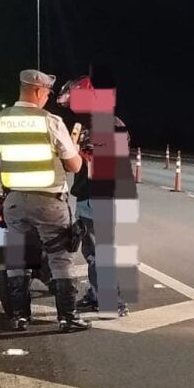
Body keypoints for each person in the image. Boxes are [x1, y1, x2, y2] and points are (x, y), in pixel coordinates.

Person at [0, 69, 92, 333]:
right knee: (60, 258)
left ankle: (19, 316)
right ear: (39, 91)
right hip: (49, 202)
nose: (47, 99)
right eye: (48, 94)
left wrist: (11, 170)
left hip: (15, 200)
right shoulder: (50, 122)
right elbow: (74, 165)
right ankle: (68, 318)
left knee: (17, 257)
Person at [56, 75, 129, 316]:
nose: (73, 111)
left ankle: (111, 301)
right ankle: (98, 294)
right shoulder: (89, 125)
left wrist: (83, 152)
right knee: (92, 251)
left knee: (100, 252)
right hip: (89, 197)